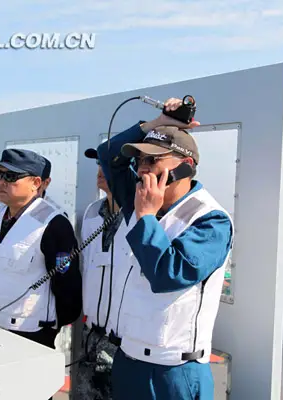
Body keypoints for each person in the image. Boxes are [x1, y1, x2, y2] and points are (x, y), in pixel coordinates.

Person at [96, 98, 234, 399]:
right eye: (140, 160)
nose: (143, 169)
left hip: (173, 373)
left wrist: (146, 216)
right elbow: (108, 154)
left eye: (153, 160)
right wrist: (156, 123)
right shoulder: (140, 201)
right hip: (128, 361)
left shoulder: (211, 221)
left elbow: (168, 275)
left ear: (184, 169)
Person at [0, 148, 82, 352]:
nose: (1, 181)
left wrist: (48, 326)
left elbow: (67, 287)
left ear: (36, 183)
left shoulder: (53, 223)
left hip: (30, 334)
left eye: (11, 176)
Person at [74, 148, 132, 400]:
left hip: (124, 340)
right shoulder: (91, 213)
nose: (100, 170)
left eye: (108, 164)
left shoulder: (141, 216)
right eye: (99, 163)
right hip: (91, 333)